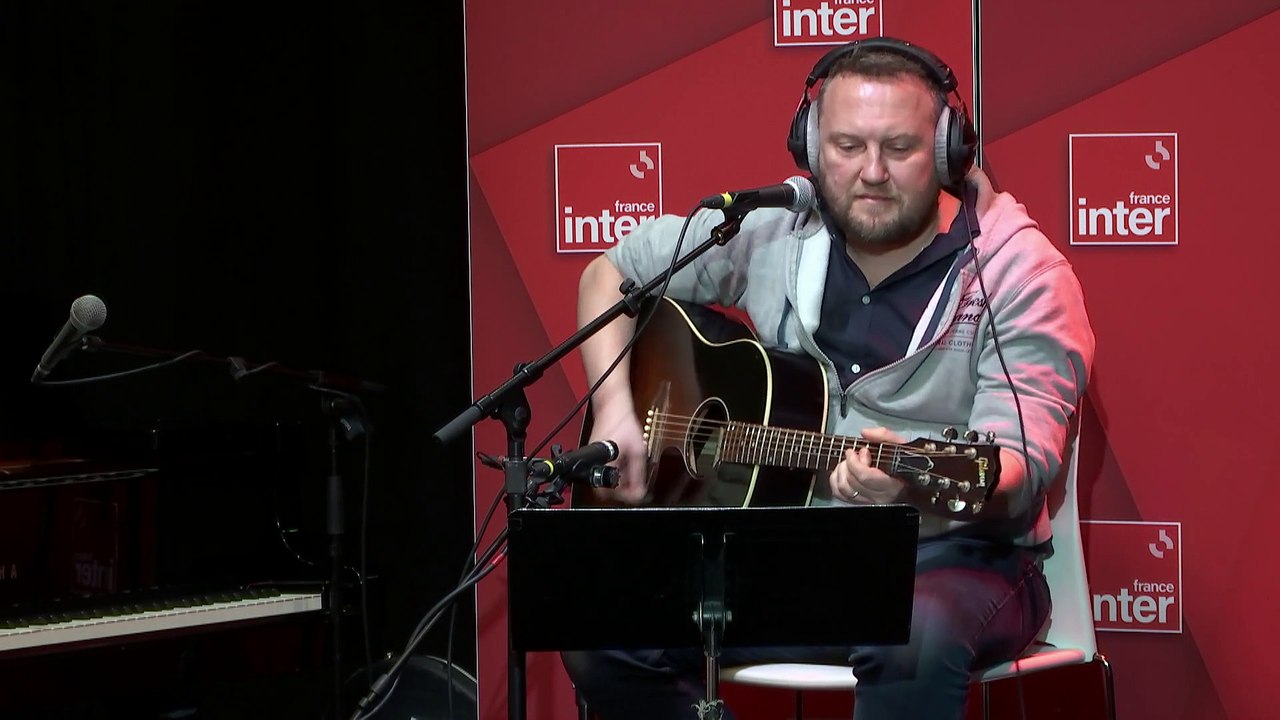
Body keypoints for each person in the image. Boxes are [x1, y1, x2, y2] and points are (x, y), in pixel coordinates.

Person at [561, 36, 1095, 720]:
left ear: (947, 150)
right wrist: (614, 412)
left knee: (912, 638)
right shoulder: (772, 230)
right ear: (811, 148)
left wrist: (907, 481)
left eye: (899, 148)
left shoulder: (1020, 277)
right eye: (847, 147)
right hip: (791, 552)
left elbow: (1018, 464)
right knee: (604, 631)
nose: (871, 172)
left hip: (955, 555)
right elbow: (609, 274)